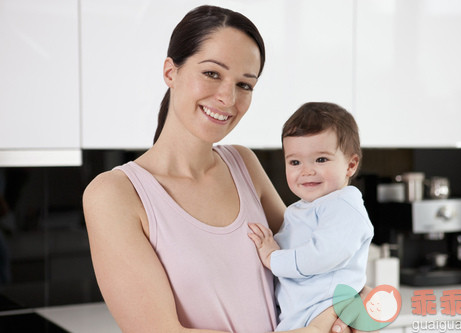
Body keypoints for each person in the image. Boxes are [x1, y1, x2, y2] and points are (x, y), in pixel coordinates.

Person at [83, 5, 355, 333]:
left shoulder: (243, 164)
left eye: (245, 85)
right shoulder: (114, 195)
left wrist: (351, 302)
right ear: (171, 72)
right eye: (212, 73)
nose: (228, 98)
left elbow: (311, 260)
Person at [248, 102, 374, 331]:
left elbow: (324, 255)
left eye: (321, 159)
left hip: (326, 307)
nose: (306, 170)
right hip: (305, 308)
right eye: (295, 162)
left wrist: (272, 257)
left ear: (351, 165)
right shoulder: (307, 207)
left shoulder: (343, 205)